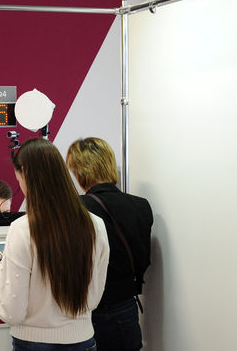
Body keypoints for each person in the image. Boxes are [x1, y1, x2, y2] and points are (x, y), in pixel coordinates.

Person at [0, 138, 109, 351]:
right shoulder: (96, 225)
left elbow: (11, 312)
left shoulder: (23, 229)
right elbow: (92, 300)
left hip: (33, 343)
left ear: (24, 172)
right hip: (84, 340)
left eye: (18, 177)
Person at [66, 137, 153, 351]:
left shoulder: (75, 208)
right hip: (126, 310)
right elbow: (143, 259)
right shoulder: (141, 206)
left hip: (85, 312)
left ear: (79, 170)